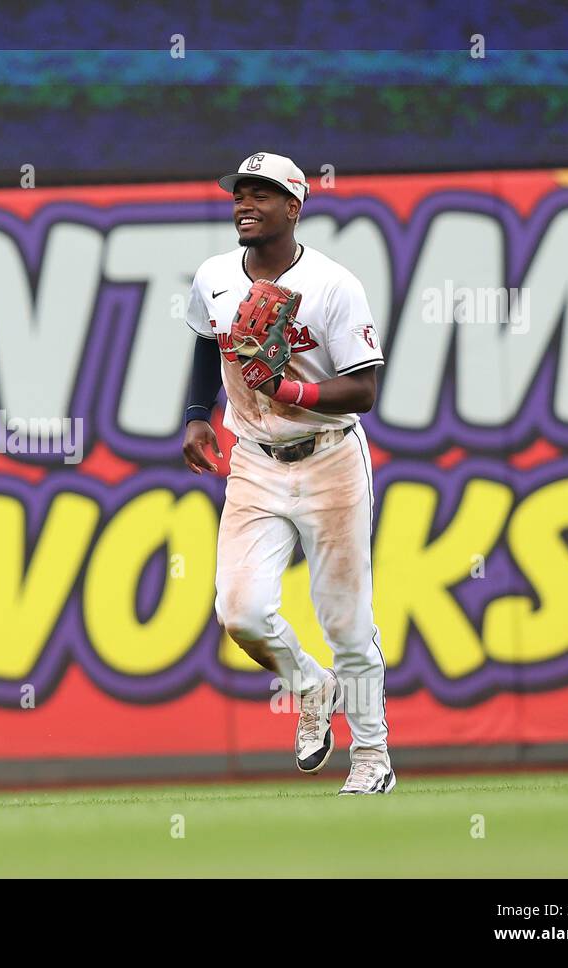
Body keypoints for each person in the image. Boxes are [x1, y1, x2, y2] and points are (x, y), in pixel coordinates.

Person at [181, 152, 394, 794]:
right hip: (253, 460)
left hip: (329, 455)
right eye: (239, 194)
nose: (245, 204)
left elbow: (363, 391)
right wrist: (197, 414)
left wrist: (290, 392)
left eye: (262, 195)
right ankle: (308, 685)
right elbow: (204, 338)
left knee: (346, 622)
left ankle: (372, 757)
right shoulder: (216, 275)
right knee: (240, 611)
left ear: (294, 207)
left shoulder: (333, 284)